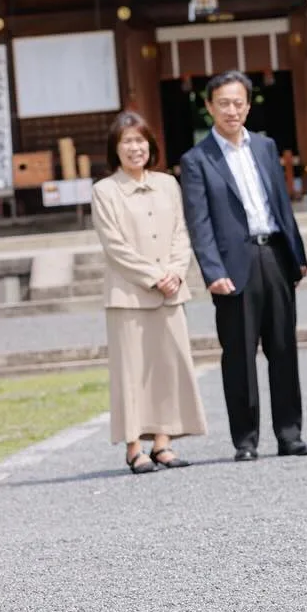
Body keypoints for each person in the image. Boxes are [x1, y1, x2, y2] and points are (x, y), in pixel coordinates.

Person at [180, 70, 307, 462]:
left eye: (239, 102)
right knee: (239, 354)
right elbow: (198, 221)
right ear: (209, 107)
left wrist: (298, 255)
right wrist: (211, 270)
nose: (232, 110)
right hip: (233, 266)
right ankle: (246, 440)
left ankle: (290, 434)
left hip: (274, 255)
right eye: (223, 103)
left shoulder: (266, 147)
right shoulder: (197, 160)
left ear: (249, 105)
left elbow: (281, 204)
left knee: (283, 348)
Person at [91, 111, 207, 474]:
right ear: (116, 149)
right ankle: (133, 447)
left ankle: (163, 443)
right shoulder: (104, 191)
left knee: (168, 368)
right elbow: (115, 247)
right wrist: (156, 275)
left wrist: (175, 271)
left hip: (170, 292)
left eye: (140, 141)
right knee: (131, 372)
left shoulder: (168, 184)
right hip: (129, 295)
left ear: (150, 146)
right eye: (127, 142)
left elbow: (180, 233)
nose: (135, 148)